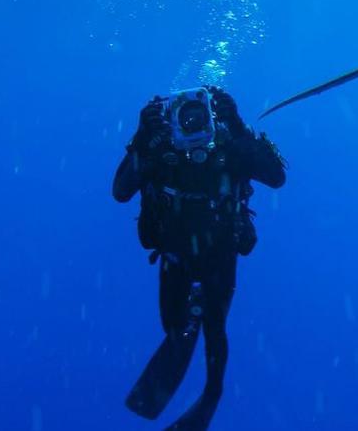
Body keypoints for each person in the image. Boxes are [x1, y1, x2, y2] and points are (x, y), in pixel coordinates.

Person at [113, 85, 286, 431]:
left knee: (216, 329)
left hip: (219, 255)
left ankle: (212, 393)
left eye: (199, 113)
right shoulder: (160, 148)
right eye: (184, 115)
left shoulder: (228, 146)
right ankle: (191, 315)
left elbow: (276, 177)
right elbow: (120, 191)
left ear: (211, 113)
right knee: (173, 328)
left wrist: (237, 124)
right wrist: (141, 136)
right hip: (175, 256)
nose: (192, 121)